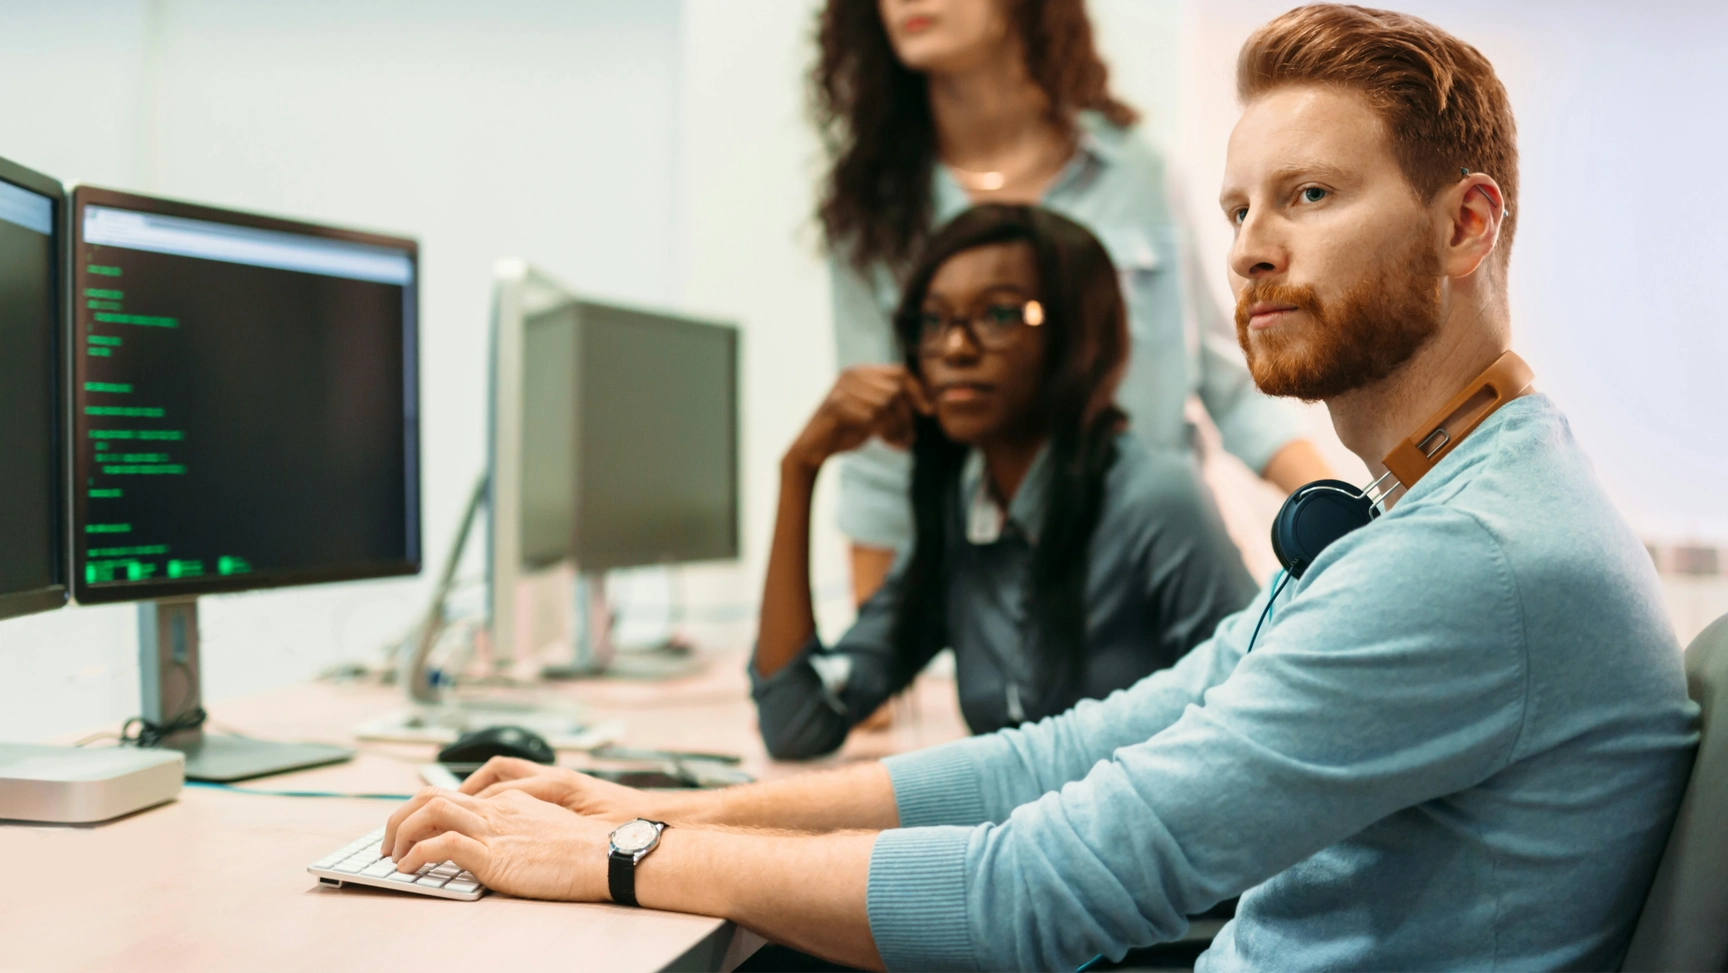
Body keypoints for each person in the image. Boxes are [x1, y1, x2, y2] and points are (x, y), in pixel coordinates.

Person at [377, 6, 1699, 971]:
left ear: (1466, 224)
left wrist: (615, 859)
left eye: (1308, 195)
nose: (1249, 253)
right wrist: (662, 809)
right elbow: (1077, 752)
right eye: (1238, 210)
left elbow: (1049, 891)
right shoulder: (1434, 504)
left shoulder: (1477, 556)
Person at [815, 0, 1334, 605]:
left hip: (1166, 575)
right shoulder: (874, 215)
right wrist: (872, 675)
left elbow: (1230, 386)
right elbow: (881, 461)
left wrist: (1348, 518)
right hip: (1005, 604)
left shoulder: (1135, 172)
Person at [753, 204, 1256, 759]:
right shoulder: (962, 521)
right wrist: (798, 470)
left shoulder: (1155, 497)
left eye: (997, 315)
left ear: (1076, 334)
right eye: (933, 321)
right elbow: (795, 724)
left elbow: (1252, 724)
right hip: (1016, 841)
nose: (954, 348)